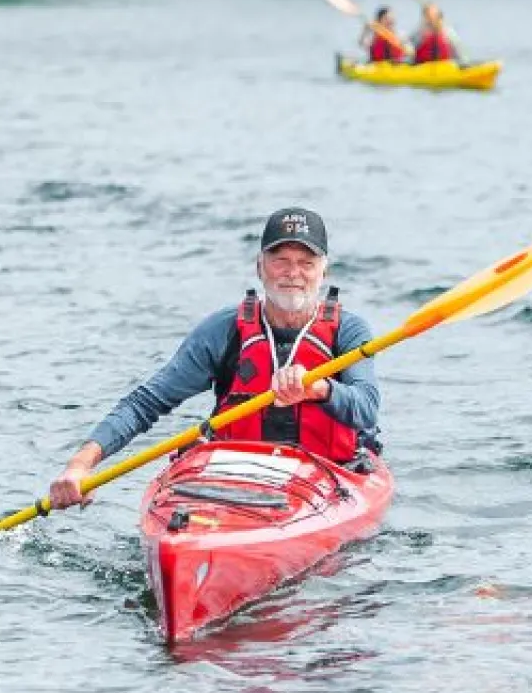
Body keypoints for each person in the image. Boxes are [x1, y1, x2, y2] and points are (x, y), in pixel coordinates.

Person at [46, 207, 382, 510]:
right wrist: (80, 464)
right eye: (280, 260)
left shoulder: (347, 332)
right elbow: (145, 403)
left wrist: (321, 389)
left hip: (326, 476)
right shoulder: (224, 331)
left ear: (324, 272)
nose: (293, 272)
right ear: (259, 267)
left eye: (306, 263)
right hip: (233, 479)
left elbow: (366, 407)